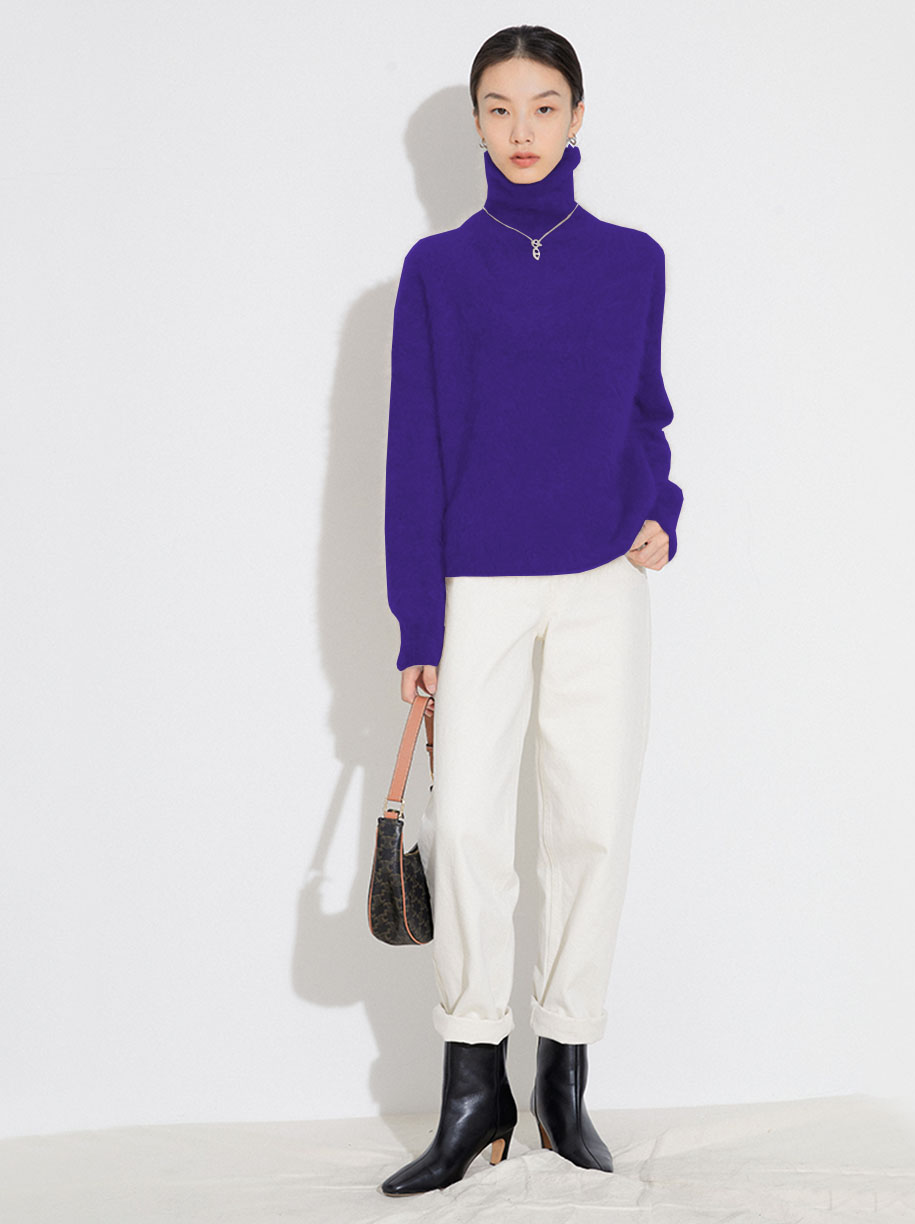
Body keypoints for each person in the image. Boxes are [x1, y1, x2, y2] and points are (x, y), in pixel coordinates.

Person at [379, 24, 683, 1197]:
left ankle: (562, 1082)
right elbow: (413, 456)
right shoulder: (438, 270)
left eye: (544, 106)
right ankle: (473, 1090)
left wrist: (659, 507)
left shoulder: (634, 261)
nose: (522, 130)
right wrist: (418, 625)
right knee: (465, 836)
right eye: (500, 108)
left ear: (577, 116)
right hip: (480, 586)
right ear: (474, 121)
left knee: (590, 826)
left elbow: (646, 414)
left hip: (604, 579)